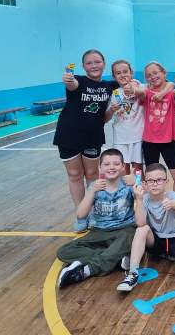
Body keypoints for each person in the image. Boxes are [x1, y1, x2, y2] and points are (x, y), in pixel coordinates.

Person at [53, 49, 119, 231]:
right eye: (89, 63)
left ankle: (94, 213)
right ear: (83, 66)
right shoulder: (78, 80)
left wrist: (112, 109)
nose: (94, 65)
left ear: (104, 64)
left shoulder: (109, 86)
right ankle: (81, 215)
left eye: (97, 62)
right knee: (74, 175)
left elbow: (103, 118)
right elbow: (72, 84)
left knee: (92, 175)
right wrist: (69, 79)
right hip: (68, 135)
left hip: (93, 136)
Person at [57, 149, 136, 287]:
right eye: (107, 164)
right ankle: (114, 259)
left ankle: (87, 270)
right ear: (100, 167)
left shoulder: (128, 185)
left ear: (123, 167)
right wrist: (92, 191)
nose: (111, 167)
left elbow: (146, 198)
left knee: (131, 238)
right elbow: (81, 214)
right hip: (99, 231)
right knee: (64, 251)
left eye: (116, 164)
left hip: (124, 230)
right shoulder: (95, 187)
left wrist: (136, 182)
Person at [116, 163, 175, 292]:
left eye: (159, 180)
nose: (155, 184)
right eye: (151, 181)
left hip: (173, 238)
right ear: (145, 184)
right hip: (154, 240)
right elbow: (140, 223)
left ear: (166, 182)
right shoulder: (144, 199)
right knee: (142, 229)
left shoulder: (171, 195)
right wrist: (139, 199)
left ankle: (168, 255)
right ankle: (133, 273)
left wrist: (172, 204)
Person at [135, 61, 175, 224]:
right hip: (149, 141)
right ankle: (152, 211)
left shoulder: (171, 93)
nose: (153, 76)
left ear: (164, 73)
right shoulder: (146, 93)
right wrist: (135, 87)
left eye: (156, 72)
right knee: (151, 180)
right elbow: (139, 92)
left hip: (168, 140)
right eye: (149, 75)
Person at [105, 60, 146, 175]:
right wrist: (112, 110)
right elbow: (106, 118)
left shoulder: (141, 87)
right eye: (118, 73)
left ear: (131, 73)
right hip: (120, 137)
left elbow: (145, 95)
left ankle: (139, 187)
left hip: (138, 136)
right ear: (114, 76)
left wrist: (134, 89)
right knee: (122, 168)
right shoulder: (115, 93)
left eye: (125, 72)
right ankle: (126, 187)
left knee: (138, 168)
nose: (122, 75)